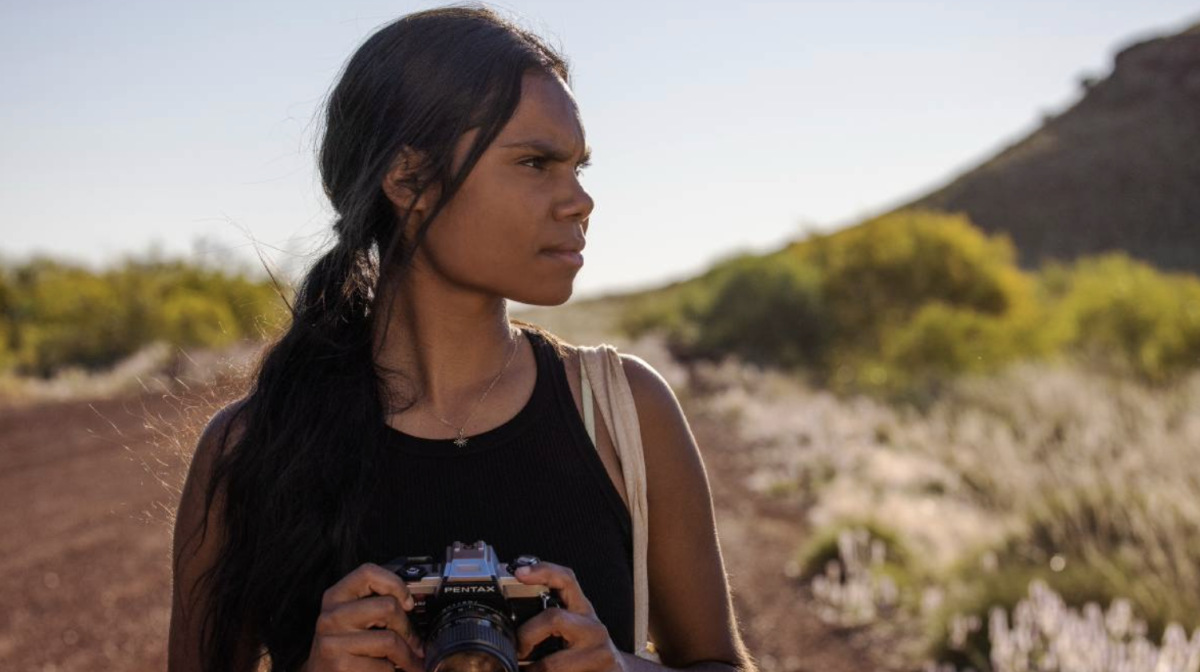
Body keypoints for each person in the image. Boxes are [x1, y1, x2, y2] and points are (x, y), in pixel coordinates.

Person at [168, 5, 754, 672]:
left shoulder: (623, 415)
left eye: (578, 167)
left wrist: (623, 669)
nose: (579, 201)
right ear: (409, 179)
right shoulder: (248, 449)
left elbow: (722, 662)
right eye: (536, 162)